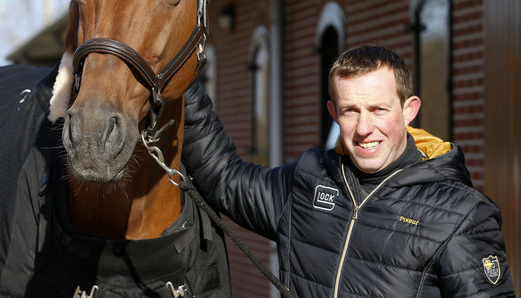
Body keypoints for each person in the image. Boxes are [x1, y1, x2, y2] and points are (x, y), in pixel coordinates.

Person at [182, 44, 515, 297]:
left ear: (408, 110)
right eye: (350, 111)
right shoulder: (309, 181)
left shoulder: (461, 215)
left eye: (378, 109)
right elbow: (223, 177)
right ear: (333, 112)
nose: (364, 128)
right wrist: (180, 80)